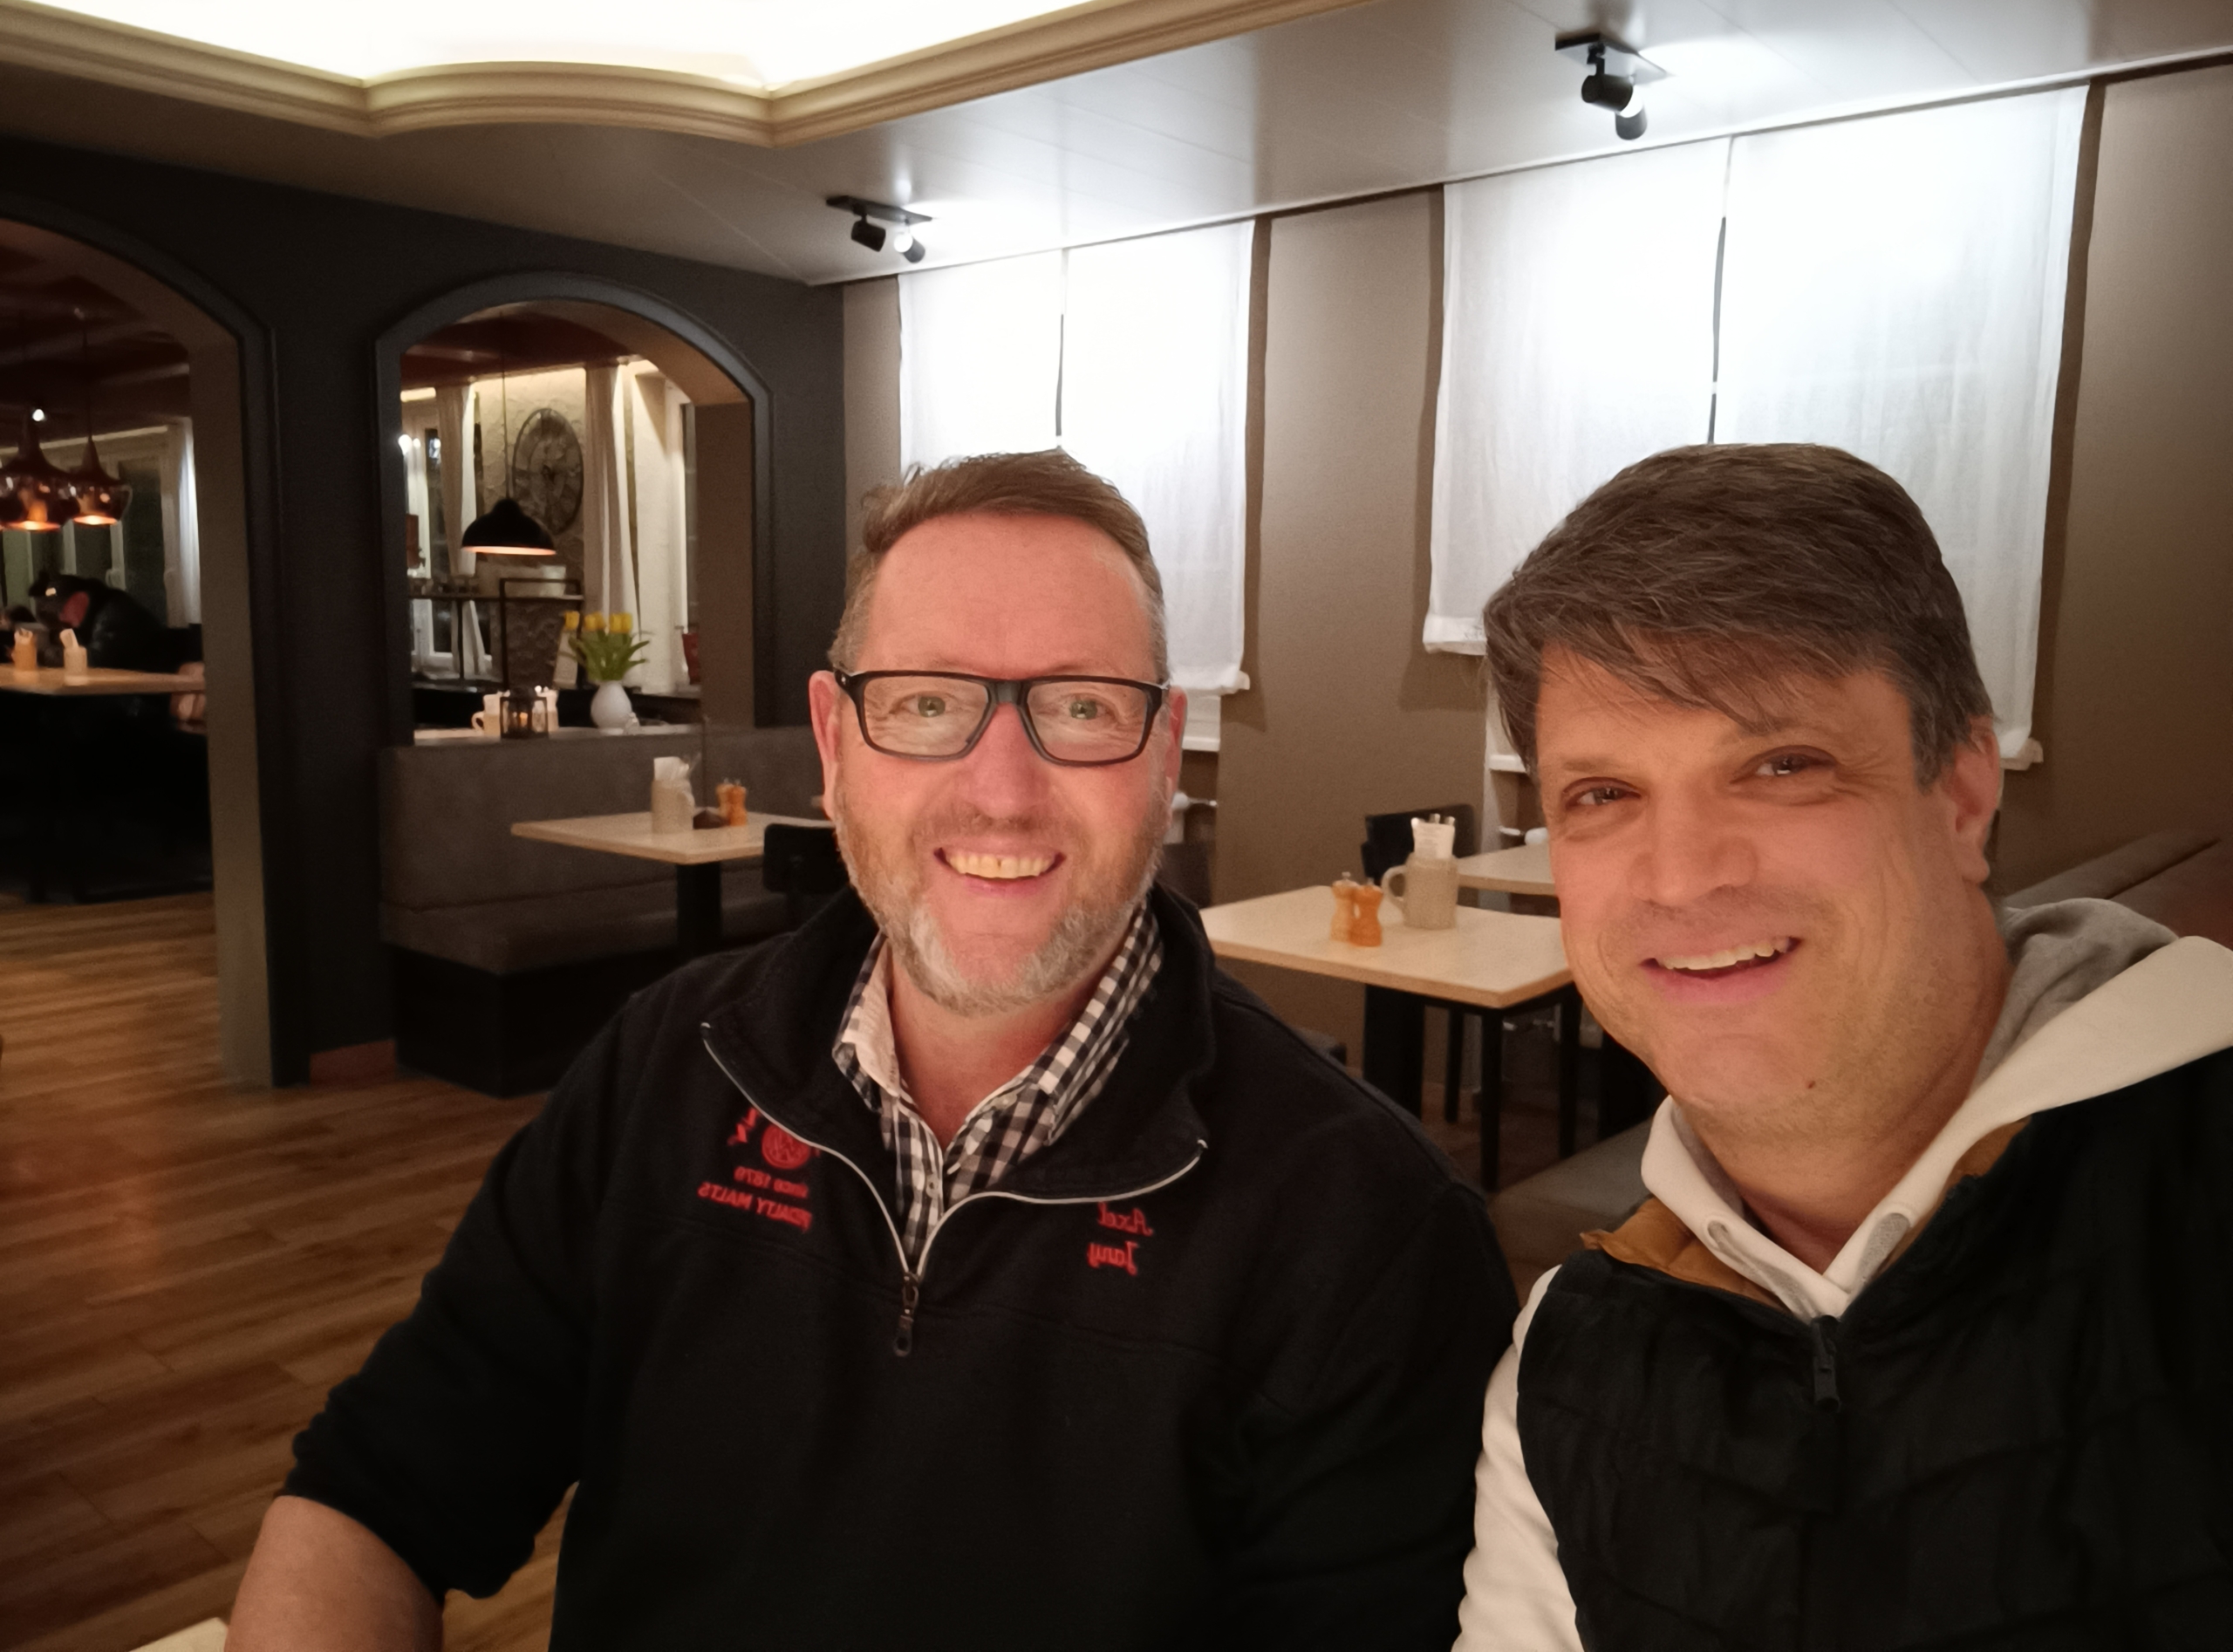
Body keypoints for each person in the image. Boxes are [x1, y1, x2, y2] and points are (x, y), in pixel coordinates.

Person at [231, 449, 1516, 1650]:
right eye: (926, 703)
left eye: (1081, 706)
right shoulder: (666, 1069)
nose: (1000, 791)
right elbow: (375, 1494)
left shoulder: (1366, 1228)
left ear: (1164, 751)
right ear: (835, 743)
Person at [1454, 443, 2233, 1649]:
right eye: (1602, 795)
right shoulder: (1566, 1362)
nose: (1681, 876)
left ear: (1962, 792)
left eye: (1782, 765)